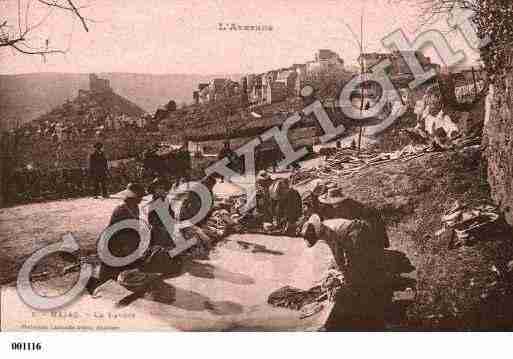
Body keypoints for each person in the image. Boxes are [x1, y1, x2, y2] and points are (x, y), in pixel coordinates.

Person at [301, 214, 386, 330]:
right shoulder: (323, 228)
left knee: (358, 266)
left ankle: (363, 299)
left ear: (316, 233)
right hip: (354, 231)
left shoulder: (327, 231)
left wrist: (345, 274)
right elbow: (339, 249)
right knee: (353, 267)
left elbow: (338, 252)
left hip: (358, 231)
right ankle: (360, 292)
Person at [318, 187, 389, 249]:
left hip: (368, 238)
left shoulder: (357, 209)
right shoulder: (332, 209)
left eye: (336, 204)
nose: (333, 206)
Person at [147, 177, 176, 248]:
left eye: (163, 188)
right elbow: (151, 220)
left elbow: (172, 215)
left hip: (168, 232)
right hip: (158, 233)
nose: (161, 190)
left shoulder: (166, 201)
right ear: (154, 190)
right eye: (159, 188)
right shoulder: (153, 203)